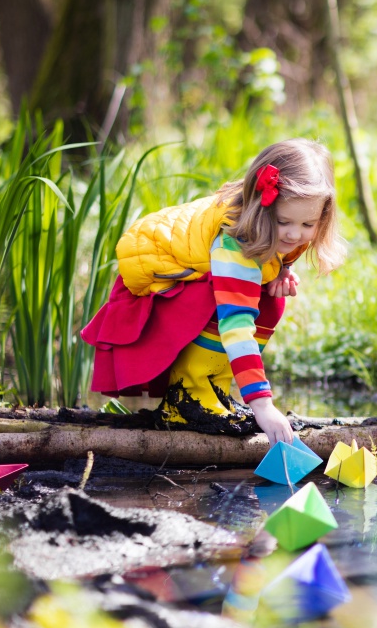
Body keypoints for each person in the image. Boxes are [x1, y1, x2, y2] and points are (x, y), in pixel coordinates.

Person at [82, 139, 346, 445]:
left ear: (322, 217)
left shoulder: (288, 226)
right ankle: (187, 397)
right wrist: (262, 404)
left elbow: (281, 247)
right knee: (219, 302)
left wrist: (281, 271)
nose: (294, 233)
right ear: (261, 209)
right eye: (283, 221)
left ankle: (214, 391)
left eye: (307, 224)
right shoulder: (236, 243)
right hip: (159, 275)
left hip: (204, 269)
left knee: (270, 301)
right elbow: (237, 326)